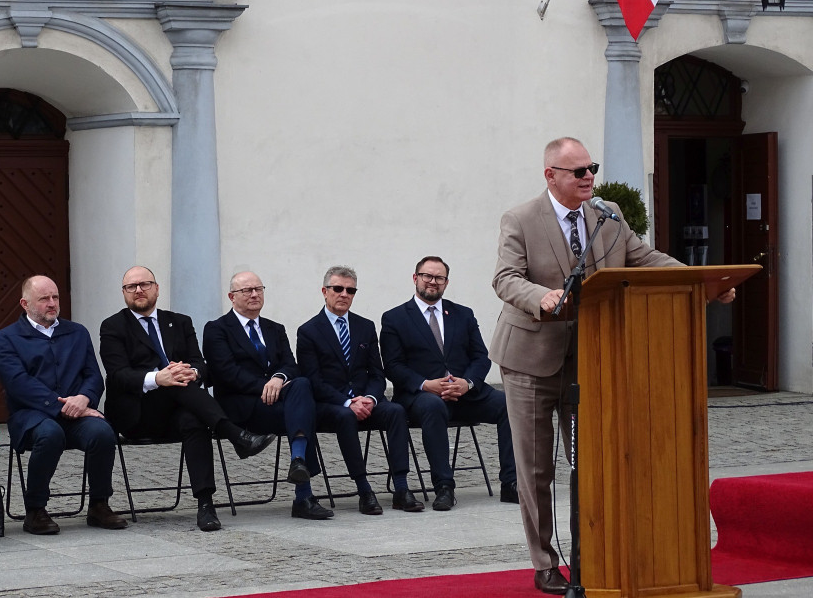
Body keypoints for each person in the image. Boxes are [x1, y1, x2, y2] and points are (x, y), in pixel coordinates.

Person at [490, 136, 734, 595]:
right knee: (536, 469)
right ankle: (544, 563)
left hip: (594, 358)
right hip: (530, 360)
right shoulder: (520, 219)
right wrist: (540, 296)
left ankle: (592, 557)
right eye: (579, 171)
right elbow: (506, 278)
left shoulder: (609, 215)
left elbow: (644, 259)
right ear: (551, 176)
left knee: (592, 462)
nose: (589, 177)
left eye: (592, 169)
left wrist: (700, 281)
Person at [99, 266, 275, 532]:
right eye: (131, 287)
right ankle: (235, 434)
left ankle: (205, 505)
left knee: (194, 418)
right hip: (137, 413)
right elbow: (117, 375)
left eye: (145, 284)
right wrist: (158, 378)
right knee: (174, 381)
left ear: (157, 288)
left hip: (177, 411)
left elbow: (201, 364)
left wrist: (192, 372)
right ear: (124, 293)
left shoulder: (179, 322)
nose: (138, 290)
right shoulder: (113, 326)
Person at [381, 256, 518, 514]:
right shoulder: (394, 318)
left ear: (446, 282)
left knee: (509, 404)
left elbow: (481, 357)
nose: (432, 282)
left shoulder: (463, 314)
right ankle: (444, 487)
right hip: (421, 397)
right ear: (415, 278)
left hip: (465, 394)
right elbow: (393, 366)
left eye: (439, 278)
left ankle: (511, 483)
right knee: (433, 407)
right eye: (427, 276)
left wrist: (467, 383)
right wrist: (425, 384)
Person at [0, 275, 127, 535]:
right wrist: (62, 406)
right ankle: (35, 510)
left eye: (55, 297)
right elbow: (18, 383)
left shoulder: (77, 332)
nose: (52, 303)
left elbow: (93, 375)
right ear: (25, 303)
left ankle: (99, 505)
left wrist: (84, 398)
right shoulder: (6, 338)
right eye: (44, 299)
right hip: (31, 415)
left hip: (77, 413)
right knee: (50, 434)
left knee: (102, 432)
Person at [203, 271, 332, 520]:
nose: (254, 294)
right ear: (231, 297)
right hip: (241, 408)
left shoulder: (275, 328)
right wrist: (266, 386)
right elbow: (226, 373)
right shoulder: (217, 329)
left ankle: (298, 463)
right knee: (303, 411)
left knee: (301, 385)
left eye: (258, 289)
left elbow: (291, 365)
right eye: (247, 290)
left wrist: (279, 378)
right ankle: (303, 496)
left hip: (277, 404)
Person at [297, 266, 424, 515]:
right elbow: (313, 381)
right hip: (331, 405)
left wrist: (370, 398)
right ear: (324, 291)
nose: (344, 294)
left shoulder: (365, 326)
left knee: (396, 411)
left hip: (366, 401)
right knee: (345, 416)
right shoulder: (308, 331)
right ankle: (364, 490)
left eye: (351, 290)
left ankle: (401, 488)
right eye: (338, 288)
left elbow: (377, 373)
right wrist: (348, 402)